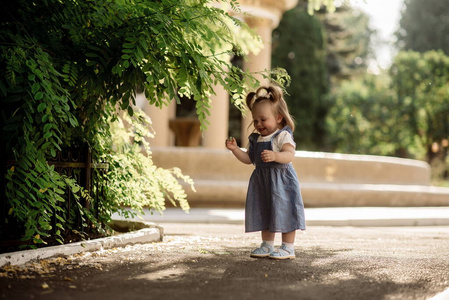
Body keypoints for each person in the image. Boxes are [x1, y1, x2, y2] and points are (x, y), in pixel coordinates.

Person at [225, 85, 306, 260]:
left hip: (282, 180)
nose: (258, 124)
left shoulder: (282, 136)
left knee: (285, 211)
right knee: (265, 210)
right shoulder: (256, 139)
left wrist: (276, 155)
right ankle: (267, 245)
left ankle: (288, 247)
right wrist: (234, 149)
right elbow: (249, 159)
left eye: (263, 119)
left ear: (278, 117)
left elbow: (289, 155)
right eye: (255, 120)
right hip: (263, 181)